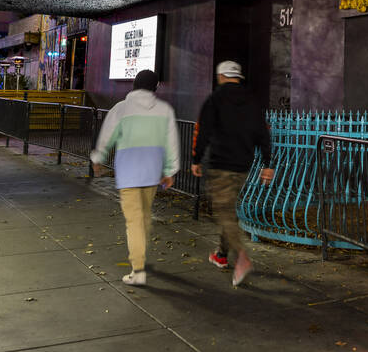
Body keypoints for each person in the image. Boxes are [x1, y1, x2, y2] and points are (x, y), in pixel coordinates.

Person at [90, 69, 179, 287]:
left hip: (129, 171)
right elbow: (172, 141)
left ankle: (137, 269)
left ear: (134, 85)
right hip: (152, 172)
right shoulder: (164, 110)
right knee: (144, 217)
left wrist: (98, 158)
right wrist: (170, 170)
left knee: (134, 221)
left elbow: (107, 135)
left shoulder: (121, 108)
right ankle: (140, 258)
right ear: (155, 87)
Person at [191, 60, 274, 287]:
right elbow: (263, 134)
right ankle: (221, 254)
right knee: (228, 209)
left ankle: (242, 257)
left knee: (224, 211)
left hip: (220, 163)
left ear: (221, 76)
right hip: (243, 165)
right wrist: (268, 164)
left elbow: (204, 130)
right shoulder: (252, 102)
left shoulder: (215, 100)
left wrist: (196, 159)